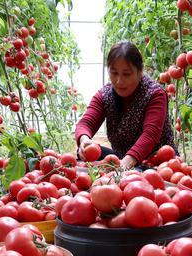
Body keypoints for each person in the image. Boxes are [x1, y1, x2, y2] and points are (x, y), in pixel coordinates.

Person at [75, 41, 176, 169]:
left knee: (141, 173)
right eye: (114, 73)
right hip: (123, 159)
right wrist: (84, 140)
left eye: (126, 74)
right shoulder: (104, 95)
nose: (119, 81)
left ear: (140, 72)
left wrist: (128, 161)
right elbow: (85, 124)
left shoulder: (154, 94)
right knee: (84, 153)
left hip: (158, 163)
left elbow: (150, 135)